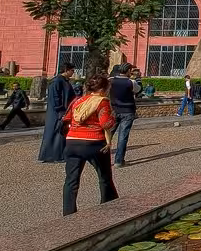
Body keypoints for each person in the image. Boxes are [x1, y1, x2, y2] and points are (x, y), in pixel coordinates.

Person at [61, 74, 119, 216]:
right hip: (94, 142)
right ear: (105, 88)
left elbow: (66, 118)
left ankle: (68, 213)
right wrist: (114, 118)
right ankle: (109, 206)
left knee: (71, 180)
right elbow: (105, 123)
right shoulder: (101, 101)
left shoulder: (78, 101)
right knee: (104, 177)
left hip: (72, 141)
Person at [40, 63, 77, 162]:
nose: (73, 73)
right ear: (66, 70)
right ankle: (54, 156)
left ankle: (58, 154)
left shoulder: (63, 81)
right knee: (56, 133)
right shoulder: (57, 81)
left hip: (62, 110)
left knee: (60, 133)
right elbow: (56, 97)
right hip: (57, 111)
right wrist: (60, 110)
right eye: (72, 70)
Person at [109, 63, 138, 168]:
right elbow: (138, 90)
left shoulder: (110, 81)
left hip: (114, 109)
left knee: (108, 135)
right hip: (127, 110)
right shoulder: (131, 82)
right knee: (123, 137)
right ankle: (118, 160)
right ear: (128, 71)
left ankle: (102, 158)